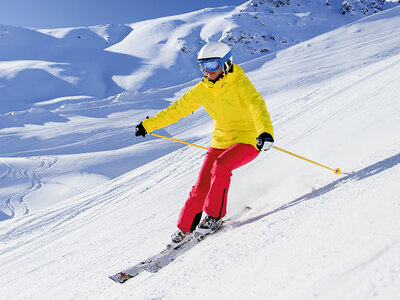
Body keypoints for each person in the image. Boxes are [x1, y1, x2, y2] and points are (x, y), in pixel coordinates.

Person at [134, 41, 274, 247]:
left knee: (222, 166)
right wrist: (148, 125)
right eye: (203, 66)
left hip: (249, 139)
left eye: (212, 66)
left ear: (226, 64)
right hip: (220, 141)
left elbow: (257, 105)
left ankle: (213, 217)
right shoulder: (202, 89)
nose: (207, 72)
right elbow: (177, 110)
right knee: (201, 187)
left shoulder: (240, 83)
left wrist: (265, 132)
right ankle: (186, 228)